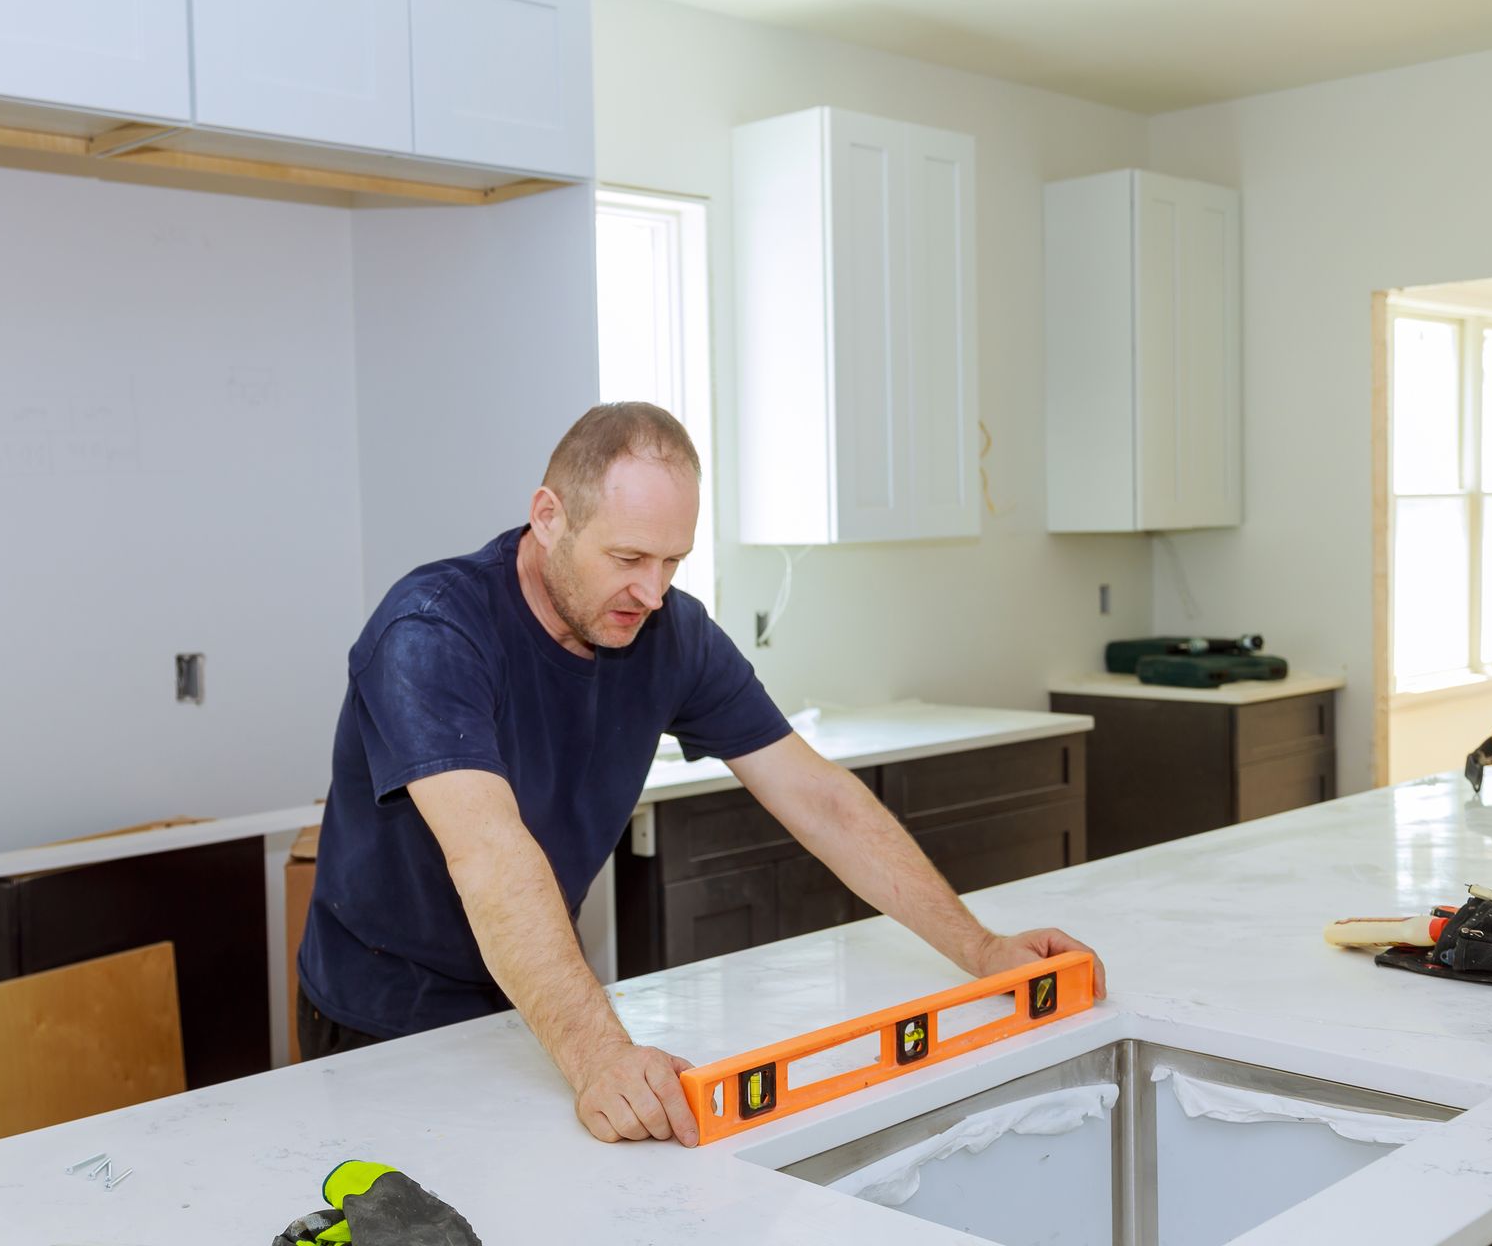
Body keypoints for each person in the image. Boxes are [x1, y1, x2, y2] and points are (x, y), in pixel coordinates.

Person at [296, 402, 1104, 1148]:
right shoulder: (432, 631)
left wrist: (982, 946)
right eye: (628, 557)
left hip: (531, 1007)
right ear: (548, 517)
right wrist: (600, 1054)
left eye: (673, 561)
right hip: (382, 1021)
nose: (650, 590)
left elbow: (818, 797)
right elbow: (491, 856)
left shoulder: (667, 632)